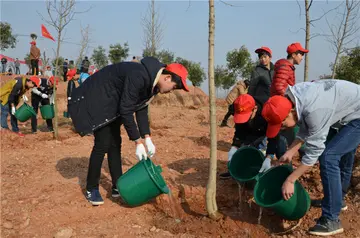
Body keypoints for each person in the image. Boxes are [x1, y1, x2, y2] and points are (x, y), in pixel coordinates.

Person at [68, 56, 189, 205]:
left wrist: (147, 137)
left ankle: (118, 185)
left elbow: (141, 108)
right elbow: (126, 109)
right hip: (97, 101)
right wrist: (137, 141)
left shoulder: (152, 84)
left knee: (115, 143)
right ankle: (91, 188)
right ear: (167, 77)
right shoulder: (139, 75)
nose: (172, 91)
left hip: (112, 103)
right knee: (103, 143)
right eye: (174, 87)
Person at [261, 79, 360, 236]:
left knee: (329, 157)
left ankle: (331, 219)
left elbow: (313, 153)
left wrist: (290, 180)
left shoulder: (315, 110)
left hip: (357, 116)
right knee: (340, 157)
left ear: (290, 112)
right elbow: (305, 126)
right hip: (349, 111)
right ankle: (336, 200)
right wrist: (291, 151)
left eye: (282, 124)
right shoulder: (293, 98)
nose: (282, 129)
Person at [219, 94, 287, 179]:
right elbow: (239, 132)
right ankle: (234, 171)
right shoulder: (239, 108)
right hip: (252, 133)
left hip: (268, 132)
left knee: (280, 141)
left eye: (246, 116)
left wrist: (269, 157)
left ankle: (283, 169)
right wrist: (234, 147)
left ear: (255, 108)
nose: (245, 119)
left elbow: (273, 137)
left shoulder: (267, 112)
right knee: (244, 151)